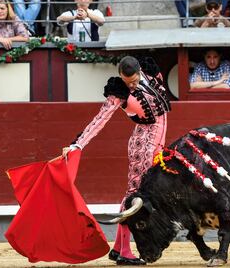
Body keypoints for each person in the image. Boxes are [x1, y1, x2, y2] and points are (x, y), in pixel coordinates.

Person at [62, 56, 171, 266]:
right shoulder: (119, 91)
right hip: (143, 144)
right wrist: (78, 144)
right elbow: (100, 119)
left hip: (157, 143)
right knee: (134, 197)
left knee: (135, 196)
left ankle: (120, 248)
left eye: (133, 80)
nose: (131, 85)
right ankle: (126, 251)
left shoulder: (150, 72)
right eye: (127, 81)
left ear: (139, 70)